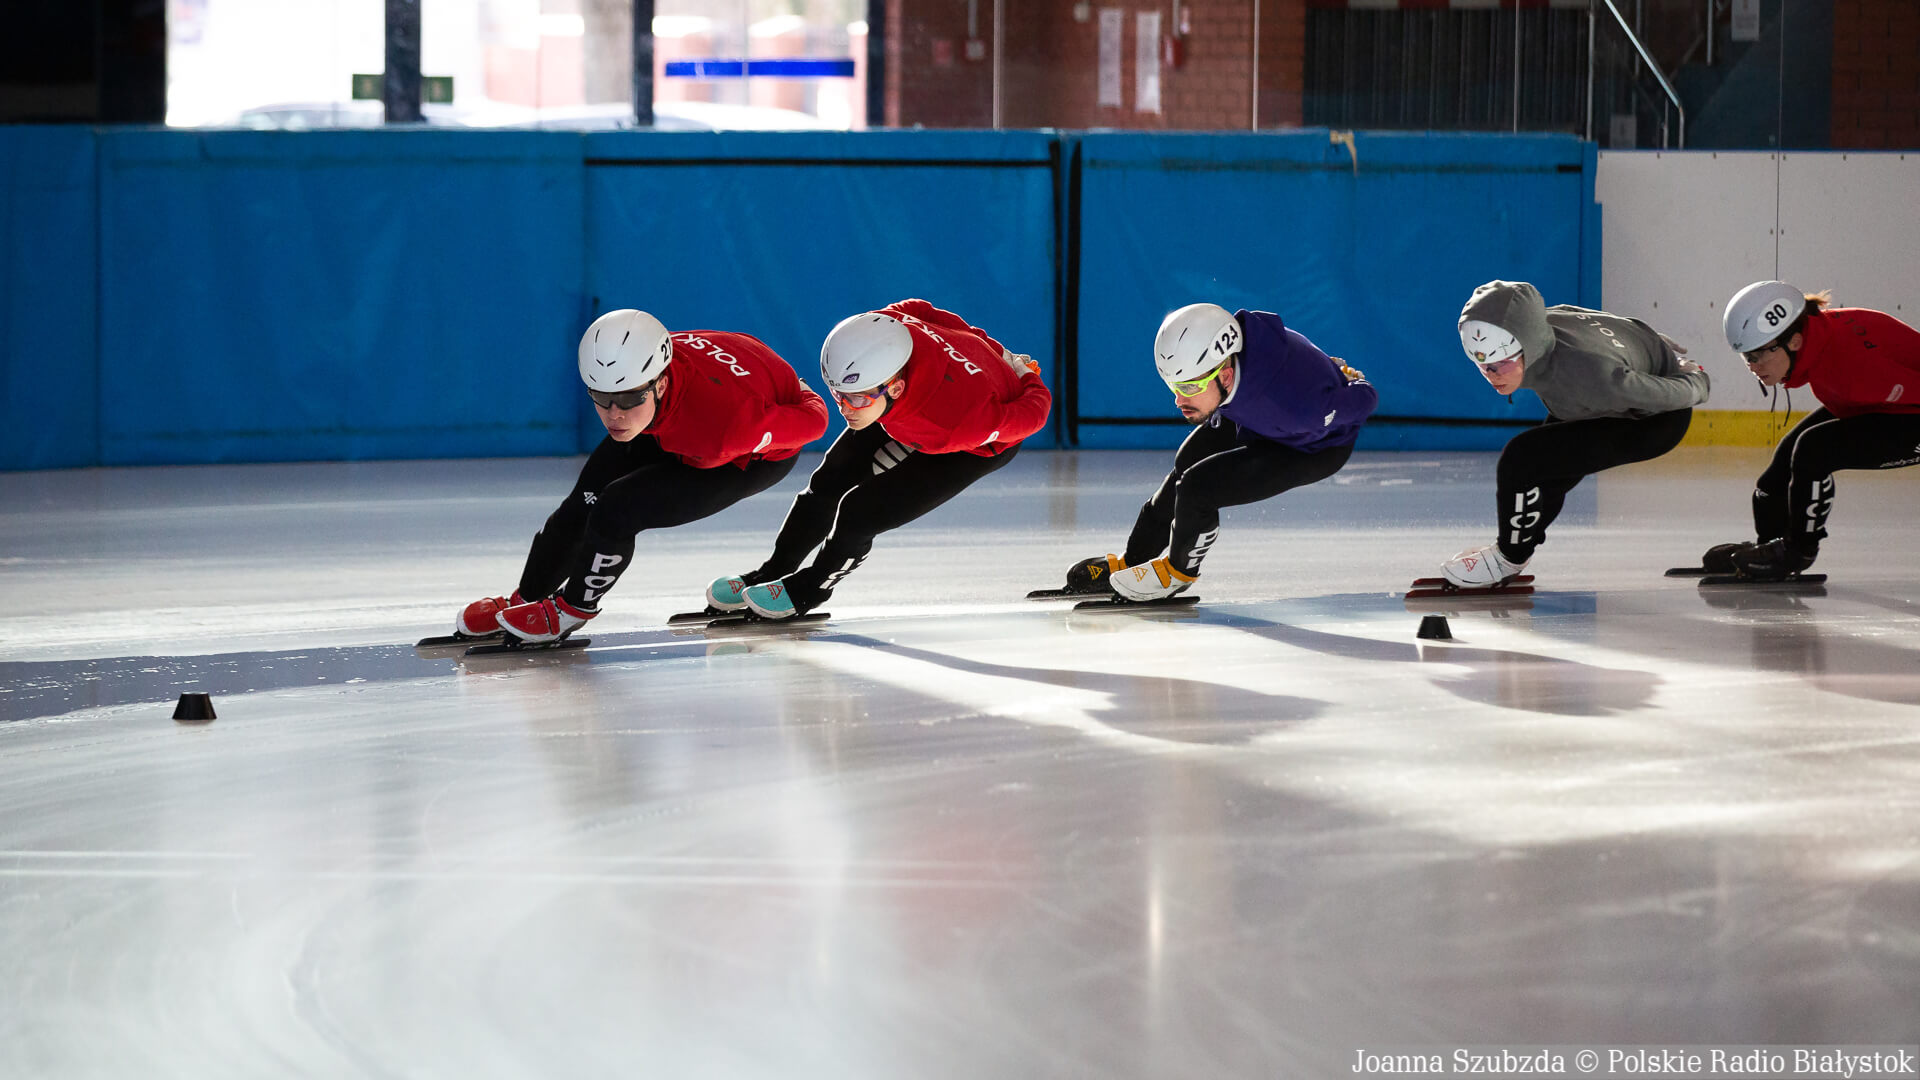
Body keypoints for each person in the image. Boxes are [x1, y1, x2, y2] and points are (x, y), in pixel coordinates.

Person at [454, 309, 828, 643]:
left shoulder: (729, 427)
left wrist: (801, 388)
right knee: (582, 502)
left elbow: (817, 422)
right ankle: (527, 597)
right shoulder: (645, 370)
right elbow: (734, 347)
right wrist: (635, 404)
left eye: (629, 398)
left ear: (660, 382)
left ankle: (572, 610)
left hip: (738, 459)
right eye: (601, 397)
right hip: (669, 424)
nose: (614, 414)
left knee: (617, 509)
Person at [706, 299, 1052, 620]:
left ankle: (813, 587)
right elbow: (919, 308)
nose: (843, 410)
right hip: (907, 406)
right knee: (828, 481)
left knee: (861, 511)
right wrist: (984, 343)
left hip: (970, 445)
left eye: (854, 399)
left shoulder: (957, 424)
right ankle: (774, 569)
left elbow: (1035, 416)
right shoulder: (892, 327)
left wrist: (1024, 375)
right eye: (837, 394)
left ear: (896, 387)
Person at [1058, 302, 1378, 603]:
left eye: (1190, 388)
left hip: (1312, 447)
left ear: (1225, 375)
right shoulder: (1227, 365)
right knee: (1186, 463)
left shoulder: (1299, 407)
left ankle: (1178, 572)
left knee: (1199, 488)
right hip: (1253, 415)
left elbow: (1367, 400)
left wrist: (1355, 383)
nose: (1178, 401)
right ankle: (1134, 559)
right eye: (1174, 387)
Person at [1437, 280, 1710, 588]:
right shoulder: (1541, 326)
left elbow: (1677, 394)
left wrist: (1693, 376)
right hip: (1595, 402)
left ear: (1527, 345)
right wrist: (1643, 339)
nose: (1492, 376)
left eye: (1500, 364)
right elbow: (1585, 317)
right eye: (1481, 364)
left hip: (1655, 420)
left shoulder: (1590, 375)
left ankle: (1508, 558)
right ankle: (1516, 551)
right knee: (1545, 473)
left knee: (1522, 458)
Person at [1699, 280, 1920, 580]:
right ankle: (1771, 544)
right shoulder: (1819, 337)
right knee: (1777, 472)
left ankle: (1797, 551)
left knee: (1814, 450)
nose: (1753, 366)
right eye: (1747, 356)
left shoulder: (1851, 366)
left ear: (1795, 342)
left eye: (1759, 354)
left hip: (1905, 408)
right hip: (1885, 401)